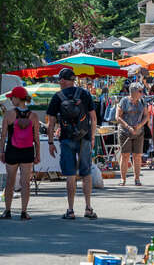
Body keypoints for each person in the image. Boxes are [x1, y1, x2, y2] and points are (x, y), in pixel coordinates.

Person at [47, 68, 97, 220]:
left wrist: (50, 142)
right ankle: (88, 208)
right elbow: (93, 119)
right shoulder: (85, 94)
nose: (58, 82)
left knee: (70, 175)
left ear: (63, 80)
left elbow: (51, 123)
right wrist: (92, 137)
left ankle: (70, 210)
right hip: (85, 139)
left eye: (59, 80)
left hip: (66, 139)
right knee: (86, 174)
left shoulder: (57, 97)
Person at [0, 86, 40, 220]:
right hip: (27, 152)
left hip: (12, 150)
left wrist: (2, 152)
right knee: (25, 183)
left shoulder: (9, 114)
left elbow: (3, 135)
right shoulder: (33, 116)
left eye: (12, 97)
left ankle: (7, 211)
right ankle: (24, 212)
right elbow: (36, 138)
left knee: (10, 182)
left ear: (18, 98)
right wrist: (37, 154)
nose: (11, 100)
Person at [116, 82, 149, 186]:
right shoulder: (124, 101)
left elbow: (146, 116)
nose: (142, 93)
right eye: (140, 91)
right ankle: (123, 179)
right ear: (133, 92)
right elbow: (117, 117)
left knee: (137, 156)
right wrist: (128, 127)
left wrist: (139, 126)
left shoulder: (142, 102)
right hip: (125, 132)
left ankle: (137, 179)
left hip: (138, 132)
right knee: (125, 155)